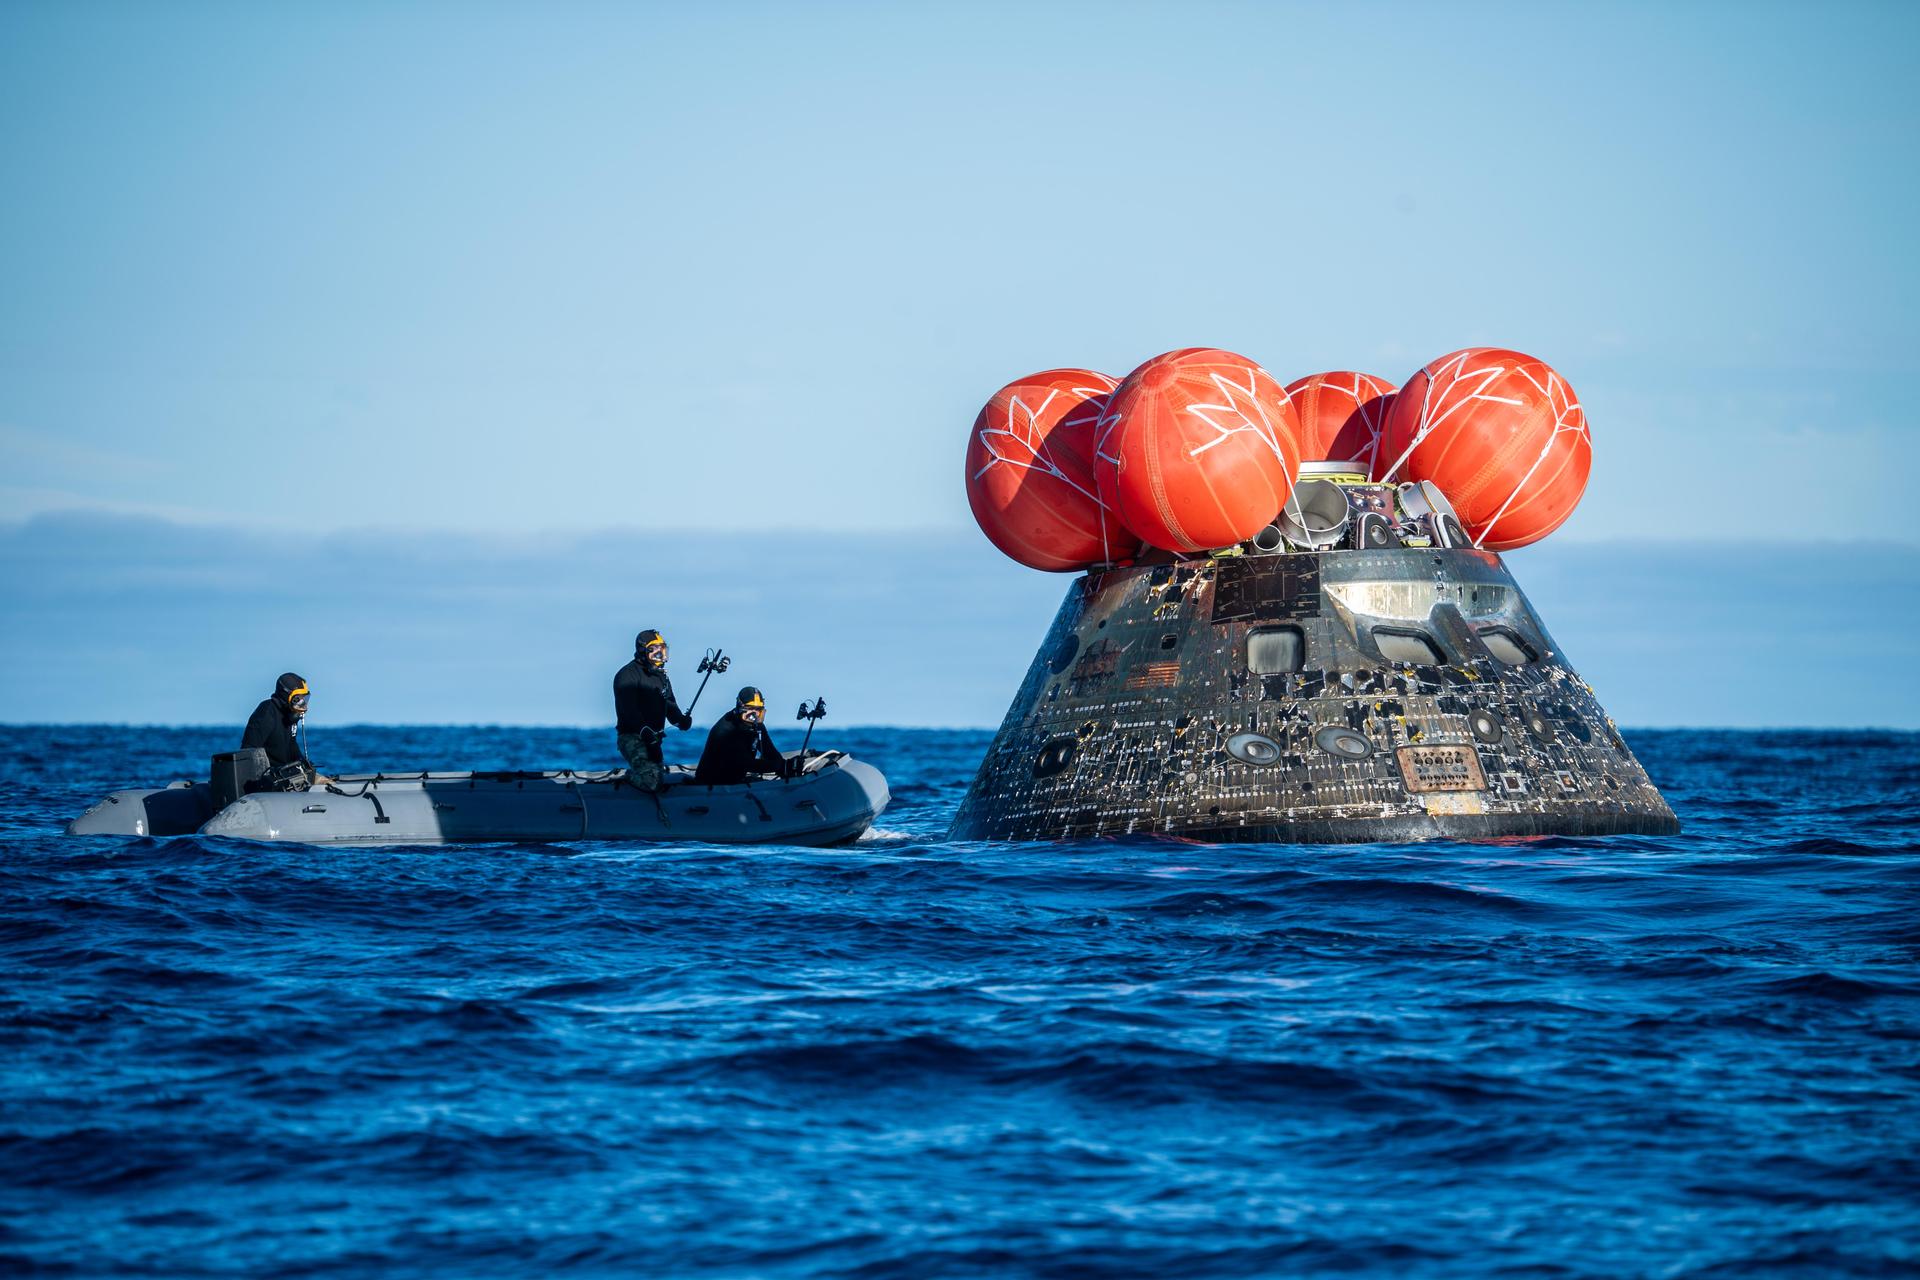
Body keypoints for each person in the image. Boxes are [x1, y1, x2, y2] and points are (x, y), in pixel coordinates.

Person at [615, 628, 692, 791]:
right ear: (643, 651)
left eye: (662, 650)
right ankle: (627, 776)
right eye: (654, 650)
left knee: (659, 779)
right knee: (651, 783)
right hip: (633, 737)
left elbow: (670, 707)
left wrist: (681, 721)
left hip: (655, 740)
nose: (659, 655)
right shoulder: (626, 676)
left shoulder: (661, 676)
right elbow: (629, 711)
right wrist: (645, 733)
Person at [695, 687, 788, 786]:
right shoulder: (726, 731)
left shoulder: (757, 725)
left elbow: (770, 753)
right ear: (740, 708)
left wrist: (785, 766)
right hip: (713, 784)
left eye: (758, 710)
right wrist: (778, 765)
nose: (755, 714)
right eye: (750, 709)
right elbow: (746, 764)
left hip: (736, 780)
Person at [242, 672, 312, 772]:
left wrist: (303, 766)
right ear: (286, 696)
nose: (303, 705)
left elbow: (292, 745)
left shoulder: (291, 715)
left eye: (305, 699)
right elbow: (249, 751)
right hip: (268, 778)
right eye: (298, 700)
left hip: (286, 773)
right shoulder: (266, 713)